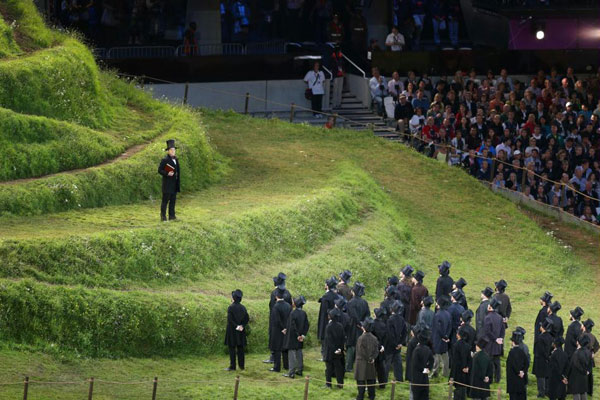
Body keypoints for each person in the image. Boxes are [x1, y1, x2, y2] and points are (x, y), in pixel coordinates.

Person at [265, 273, 292, 364]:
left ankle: (274, 357)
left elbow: (272, 307)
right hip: (286, 319)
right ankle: (285, 360)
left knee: (274, 339)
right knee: (284, 340)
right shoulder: (288, 293)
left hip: (276, 321)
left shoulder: (274, 293)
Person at [283, 295, 309, 378]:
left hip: (293, 337)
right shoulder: (303, 313)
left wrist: (297, 335)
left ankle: (291, 372)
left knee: (292, 355)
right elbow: (306, 325)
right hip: (300, 337)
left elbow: (293, 326)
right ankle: (300, 370)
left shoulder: (293, 313)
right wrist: (302, 335)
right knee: (299, 353)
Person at [347, 282, 370, 373]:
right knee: (360, 346)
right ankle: (359, 365)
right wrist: (363, 324)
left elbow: (352, 315)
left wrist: (358, 323)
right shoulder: (364, 302)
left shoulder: (350, 302)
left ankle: (349, 366)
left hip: (353, 326)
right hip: (362, 327)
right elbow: (367, 315)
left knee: (351, 346)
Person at [224, 289, 249, 371]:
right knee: (240, 348)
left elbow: (230, 320)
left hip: (232, 331)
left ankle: (233, 366)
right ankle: (242, 366)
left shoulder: (230, 307)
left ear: (233, 298)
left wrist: (236, 326)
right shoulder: (243, 307)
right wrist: (242, 326)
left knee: (232, 349)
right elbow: (247, 318)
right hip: (241, 331)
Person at [481, 297, 505, 383]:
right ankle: (497, 378)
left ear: (490, 307)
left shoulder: (487, 317)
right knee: (497, 362)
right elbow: (503, 330)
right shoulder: (499, 317)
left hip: (490, 344)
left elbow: (487, 331)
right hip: (498, 344)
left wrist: (495, 339)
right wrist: (500, 339)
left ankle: (490, 378)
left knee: (489, 363)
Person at [355, 317, 379, 400]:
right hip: (371, 362)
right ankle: (372, 396)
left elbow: (361, 351)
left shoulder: (361, 338)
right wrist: (372, 358)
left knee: (361, 381)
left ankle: (360, 397)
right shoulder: (375, 338)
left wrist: (368, 358)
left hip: (362, 362)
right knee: (371, 381)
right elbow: (376, 350)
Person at [269, 288, 292, 372]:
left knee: (277, 349)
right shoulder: (288, 306)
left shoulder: (276, 306)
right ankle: (286, 365)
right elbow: (290, 318)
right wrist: (286, 328)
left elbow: (277, 320)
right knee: (285, 348)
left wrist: (282, 328)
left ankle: (277, 367)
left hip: (278, 330)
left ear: (276, 296)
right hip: (286, 329)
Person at [158, 139, 181, 222]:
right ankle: (163, 217)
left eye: (174, 150)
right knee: (165, 201)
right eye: (171, 150)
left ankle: (172, 216)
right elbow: (160, 170)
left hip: (174, 183)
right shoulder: (165, 160)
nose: (173, 151)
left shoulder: (176, 159)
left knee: (173, 200)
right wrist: (167, 173)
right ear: (168, 151)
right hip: (167, 184)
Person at [386, 300, 407, 383]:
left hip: (391, 344)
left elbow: (389, 334)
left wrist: (395, 344)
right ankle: (399, 378)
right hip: (398, 344)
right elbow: (405, 332)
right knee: (398, 362)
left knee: (387, 362)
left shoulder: (390, 320)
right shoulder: (402, 319)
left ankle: (384, 378)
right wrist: (400, 343)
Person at [324, 307, 346, 388]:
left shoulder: (328, 327)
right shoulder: (340, 326)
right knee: (338, 368)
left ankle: (328, 384)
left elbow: (329, 340)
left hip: (330, 351)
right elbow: (343, 338)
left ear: (330, 316)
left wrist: (334, 350)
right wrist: (340, 349)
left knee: (329, 368)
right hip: (339, 351)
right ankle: (340, 384)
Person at [565, 335, 592, 400]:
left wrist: (567, 376)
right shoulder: (588, 352)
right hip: (584, 377)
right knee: (583, 392)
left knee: (576, 393)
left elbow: (574, 365)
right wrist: (587, 371)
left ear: (579, 342)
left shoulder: (576, 353)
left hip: (576, 377)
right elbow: (590, 364)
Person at [318, 276, 339, 359]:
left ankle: (324, 354)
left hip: (325, 319)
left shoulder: (326, 297)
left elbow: (324, 311)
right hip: (334, 319)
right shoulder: (336, 296)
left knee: (325, 337)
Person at [410, 328, 434, 400]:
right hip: (425, 377)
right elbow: (432, 360)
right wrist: (428, 368)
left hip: (417, 376)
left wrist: (422, 369)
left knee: (416, 396)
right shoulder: (428, 349)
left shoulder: (416, 350)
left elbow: (415, 364)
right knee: (424, 395)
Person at [431, 296, 452, 378]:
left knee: (436, 356)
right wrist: (446, 336)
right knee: (445, 356)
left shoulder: (437, 315)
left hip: (438, 338)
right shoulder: (448, 314)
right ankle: (445, 373)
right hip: (446, 338)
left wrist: (443, 336)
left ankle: (435, 372)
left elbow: (438, 328)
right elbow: (450, 326)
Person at [451, 326, 473, 400]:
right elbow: (470, 359)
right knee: (463, 388)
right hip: (465, 372)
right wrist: (467, 368)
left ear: (458, 335)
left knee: (458, 389)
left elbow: (454, 361)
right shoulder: (467, 346)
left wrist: (452, 375)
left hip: (457, 372)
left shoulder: (455, 346)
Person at [533, 318, 553, 398]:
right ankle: (547, 391)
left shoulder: (541, 338)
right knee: (546, 375)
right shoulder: (550, 337)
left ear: (543, 328)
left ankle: (541, 393)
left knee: (540, 377)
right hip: (548, 359)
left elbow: (540, 350)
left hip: (541, 359)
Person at [506, 331, 529, 400]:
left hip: (513, 381)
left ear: (513, 342)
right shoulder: (522, 352)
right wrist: (523, 372)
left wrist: (518, 372)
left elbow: (512, 365)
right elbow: (527, 363)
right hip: (521, 381)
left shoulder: (511, 353)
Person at [372, 307, 388, 388]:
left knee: (373, 367)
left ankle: (372, 383)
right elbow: (386, 337)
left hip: (374, 348)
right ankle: (382, 384)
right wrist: (383, 346)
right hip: (382, 348)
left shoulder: (372, 324)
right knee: (381, 367)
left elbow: (372, 337)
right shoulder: (384, 324)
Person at [330, 44, 345, 109]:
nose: (340, 51)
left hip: (341, 75)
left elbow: (343, 65)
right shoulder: (333, 57)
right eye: (339, 50)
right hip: (336, 75)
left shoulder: (341, 57)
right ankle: (334, 104)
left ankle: (338, 104)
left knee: (339, 90)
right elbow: (332, 66)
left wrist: (343, 72)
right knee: (335, 90)